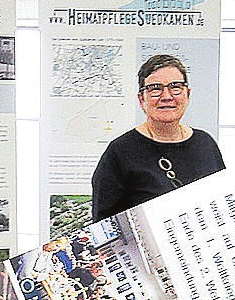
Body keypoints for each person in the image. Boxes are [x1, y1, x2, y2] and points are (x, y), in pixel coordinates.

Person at [90, 54, 225, 220]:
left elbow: (223, 204)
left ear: (187, 95)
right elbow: (105, 225)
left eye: (175, 87)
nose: (167, 96)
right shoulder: (120, 152)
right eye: (155, 88)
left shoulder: (206, 143)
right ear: (142, 100)